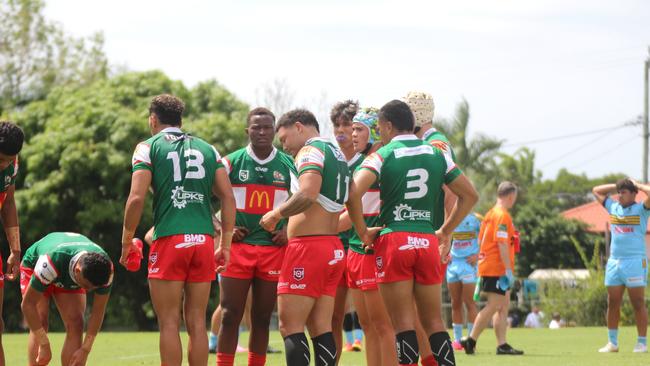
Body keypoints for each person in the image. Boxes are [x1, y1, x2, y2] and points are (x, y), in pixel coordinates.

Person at [347, 100, 478, 366]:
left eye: (380, 128)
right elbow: (470, 196)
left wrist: (362, 231)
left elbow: (353, 194)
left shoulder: (382, 154)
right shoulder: (436, 153)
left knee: (403, 325)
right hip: (428, 240)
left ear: (387, 125)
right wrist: (445, 230)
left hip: (395, 241)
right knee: (434, 323)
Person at [121, 94, 236, 366]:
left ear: (153, 120)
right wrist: (226, 245)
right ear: (181, 120)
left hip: (170, 239)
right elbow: (228, 198)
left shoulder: (147, 147)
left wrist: (127, 242)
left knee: (169, 322)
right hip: (204, 240)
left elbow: (136, 198)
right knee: (197, 321)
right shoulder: (209, 149)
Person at [260, 109, 348, 366]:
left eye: (284, 138)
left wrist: (276, 214)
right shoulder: (337, 153)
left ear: (299, 127)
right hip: (332, 248)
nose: (284, 146)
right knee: (321, 327)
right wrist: (362, 230)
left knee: (290, 326)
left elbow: (308, 194)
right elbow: (353, 196)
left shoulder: (310, 151)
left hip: (307, 249)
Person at [215, 107, 294, 366]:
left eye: (267, 127)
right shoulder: (231, 162)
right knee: (230, 314)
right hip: (237, 250)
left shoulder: (288, 164)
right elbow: (198, 193)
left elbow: (308, 199)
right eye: (256, 127)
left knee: (261, 318)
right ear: (247, 131)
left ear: (274, 130)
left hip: (273, 251)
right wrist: (221, 228)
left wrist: (288, 230)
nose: (261, 132)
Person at [339, 107, 398, 366]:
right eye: (352, 129)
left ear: (376, 131)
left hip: (376, 250)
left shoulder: (384, 162)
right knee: (367, 325)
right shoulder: (362, 164)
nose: (353, 134)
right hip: (356, 248)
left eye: (359, 129)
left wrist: (318, 227)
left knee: (385, 326)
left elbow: (346, 216)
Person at [20, 232, 113, 366]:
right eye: (86, 286)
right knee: (40, 319)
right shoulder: (50, 261)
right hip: (38, 265)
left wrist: (86, 349)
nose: (88, 290)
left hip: (66, 270)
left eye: (93, 288)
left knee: (76, 322)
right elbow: (27, 305)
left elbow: (98, 312)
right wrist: (44, 344)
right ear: (78, 270)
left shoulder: (106, 270)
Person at [461, 181, 524, 355]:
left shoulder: (489, 215)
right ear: (511, 196)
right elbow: (502, 244)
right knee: (494, 305)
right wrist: (508, 270)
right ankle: (471, 340)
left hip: (490, 266)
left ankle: (502, 344)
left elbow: (481, 241)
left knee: (503, 306)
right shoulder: (502, 215)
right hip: (496, 268)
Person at [593, 178, 650, 353]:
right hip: (614, 262)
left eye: (624, 192)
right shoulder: (613, 207)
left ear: (634, 194)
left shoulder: (641, 209)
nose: (620, 195)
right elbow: (596, 190)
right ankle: (612, 343)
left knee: (638, 303)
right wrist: (616, 185)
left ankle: (641, 342)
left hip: (634, 261)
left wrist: (636, 184)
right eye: (619, 192)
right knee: (612, 303)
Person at [329, 100, 362, 361]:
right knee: (333, 317)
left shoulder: (368, 160)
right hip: (334, 247)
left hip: (363, 246)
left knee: (376, 319)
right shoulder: (328, 158)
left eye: (347, 124)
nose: (341, 130)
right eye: (336, 124)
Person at [0, 121, 23, 366]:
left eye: (10, 159)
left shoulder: (10, 165)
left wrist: (15, 249)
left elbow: (8, 202)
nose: (5, 165)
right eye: (0, 160)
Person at [447, 213, 481, 349]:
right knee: (455, 303)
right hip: (453, 264)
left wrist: (478, 255)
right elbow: (442, 235)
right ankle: (457, 340)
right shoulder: (450, 217)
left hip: (469, 265)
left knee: (470, 303)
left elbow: (487, 238)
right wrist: (445, 251)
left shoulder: (477, 219)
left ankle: (471, 340)